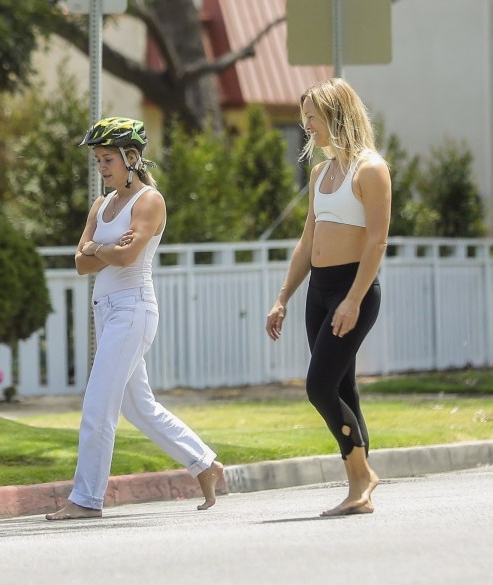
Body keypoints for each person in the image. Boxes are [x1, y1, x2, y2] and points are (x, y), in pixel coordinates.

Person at [46, 117, 223, 521]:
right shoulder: (102, 205)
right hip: (107, 312)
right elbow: (79, 264)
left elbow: (125, 258)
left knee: (97, 405)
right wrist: (100, 248)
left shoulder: (149, 201)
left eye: (108, 159)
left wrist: (97, 247)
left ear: (131, 157)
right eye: (97, 161)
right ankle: (204, 463)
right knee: (140, 409)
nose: (102, 168)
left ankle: (86, 499)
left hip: (133, 309)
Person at [265, 78, 391, 516]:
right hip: (319, 290)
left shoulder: (370, 169)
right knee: (343, 388)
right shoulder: (321, 173)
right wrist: (283, 297)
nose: (306, 127)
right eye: (303, 120)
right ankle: (360, 489)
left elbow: (376, 242)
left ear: (336, 115)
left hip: (352, 289)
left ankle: (363, 476)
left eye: (311, 118)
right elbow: (306, 242)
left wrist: (353, 300)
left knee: (319, 385)